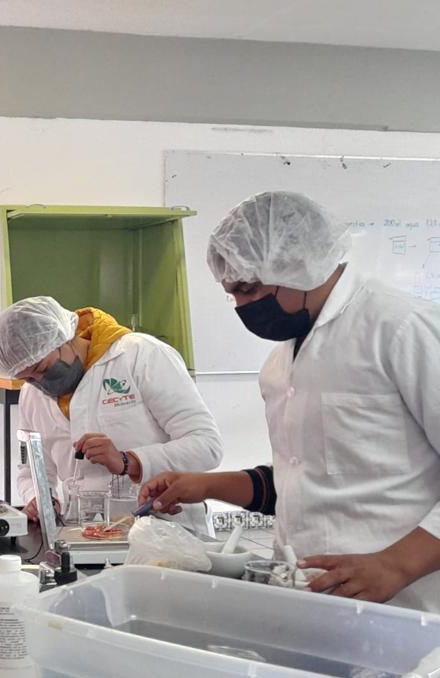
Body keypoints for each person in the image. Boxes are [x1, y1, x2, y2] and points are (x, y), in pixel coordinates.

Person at [140, 191, 440, 612]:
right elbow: (302, 480)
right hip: (310, 597)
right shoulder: (281, 363)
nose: (242, 306)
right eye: (232, 293)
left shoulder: (401, 328)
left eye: (248, 288)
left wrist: (396, 564)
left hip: (408, 609)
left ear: (297, 263)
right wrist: (205, 485)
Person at [0, 296, 223, 533]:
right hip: (85, 534)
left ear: (63, 337)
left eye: (42, 368)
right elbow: (31, 468)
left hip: (166, 530)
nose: (41, 382)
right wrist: (39, 499)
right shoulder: (32, 394)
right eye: (28, 378)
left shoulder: (140, 355)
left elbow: (207, 445)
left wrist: (128, 461)